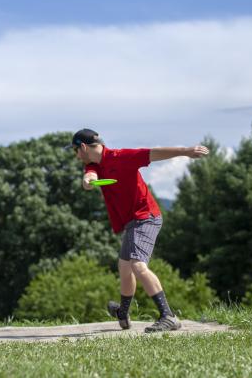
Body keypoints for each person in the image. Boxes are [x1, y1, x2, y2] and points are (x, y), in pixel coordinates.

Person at [68, 128, 209, 332]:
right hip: (132, 222)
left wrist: (186, 151)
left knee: (138, 265)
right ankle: (123, 313)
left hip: (146, 217)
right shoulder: (93, 164)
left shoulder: (122, 157)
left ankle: (168, 316)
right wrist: (88, 181)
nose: (76, 156)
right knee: (124, 267)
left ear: (82, 147)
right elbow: (91, 173)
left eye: (75, 150)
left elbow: (154, 153)